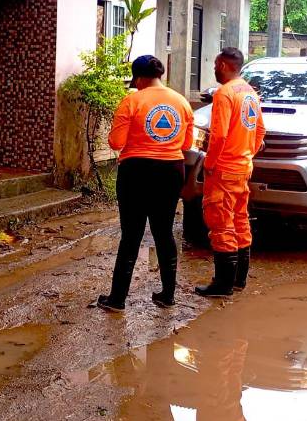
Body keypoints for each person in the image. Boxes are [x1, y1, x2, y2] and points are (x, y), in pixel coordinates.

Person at [98, 55, 195, 312]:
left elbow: (116, 143)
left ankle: (117, 299)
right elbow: (186, 145)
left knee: (131, 235)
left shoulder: (132, 100)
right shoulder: (182, 102)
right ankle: (168, 295)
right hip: (171, 171)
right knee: (164, 232)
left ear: (139, 78)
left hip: (136, 172)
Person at [196, 47, 265, 298]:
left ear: (224, 65)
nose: (214, 68)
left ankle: (223, 285)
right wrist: (246, 153)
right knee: (240, 221)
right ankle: (238, 280)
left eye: (215, 64)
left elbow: (220, 135)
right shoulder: (249, 92)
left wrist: (210, 163)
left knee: (221, 224)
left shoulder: (225, 94)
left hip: (224, 169)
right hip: (242, 168)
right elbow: (259, 132)